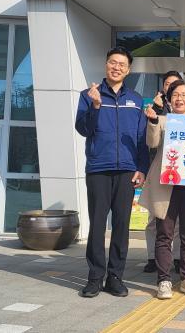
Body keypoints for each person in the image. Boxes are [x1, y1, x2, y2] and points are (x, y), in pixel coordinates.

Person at [75, 46, 150, 298]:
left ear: (128, 70)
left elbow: (141, 139)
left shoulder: (136, 100)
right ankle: (95, 277)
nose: (116, 67)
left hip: (127, 171)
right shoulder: (89, 95)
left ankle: (115, 277)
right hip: (98, 168)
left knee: (121, 225)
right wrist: (96, 106)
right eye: (112, 62)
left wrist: (142, 168)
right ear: (106, 64)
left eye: (122, 64)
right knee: (97, 225)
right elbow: (83, 129)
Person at [141, 80, 185, 299]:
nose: (180, 99)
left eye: (184, 95)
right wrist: (152, 121)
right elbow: (152, 143)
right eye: (176, 95)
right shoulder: (162, 120)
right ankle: (164, 280)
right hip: (166, 187)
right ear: (169, 99)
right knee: (164, 234)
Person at [143, 70, 183, 274]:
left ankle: (177, 259)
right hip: (159, 174)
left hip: (181, 175)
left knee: (177, 224)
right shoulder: (154, 108)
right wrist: (155, 113)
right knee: (155, 218)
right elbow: (150, 141)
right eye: (168, 84)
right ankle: (153, 257)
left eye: (176, 85)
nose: (172, 89)